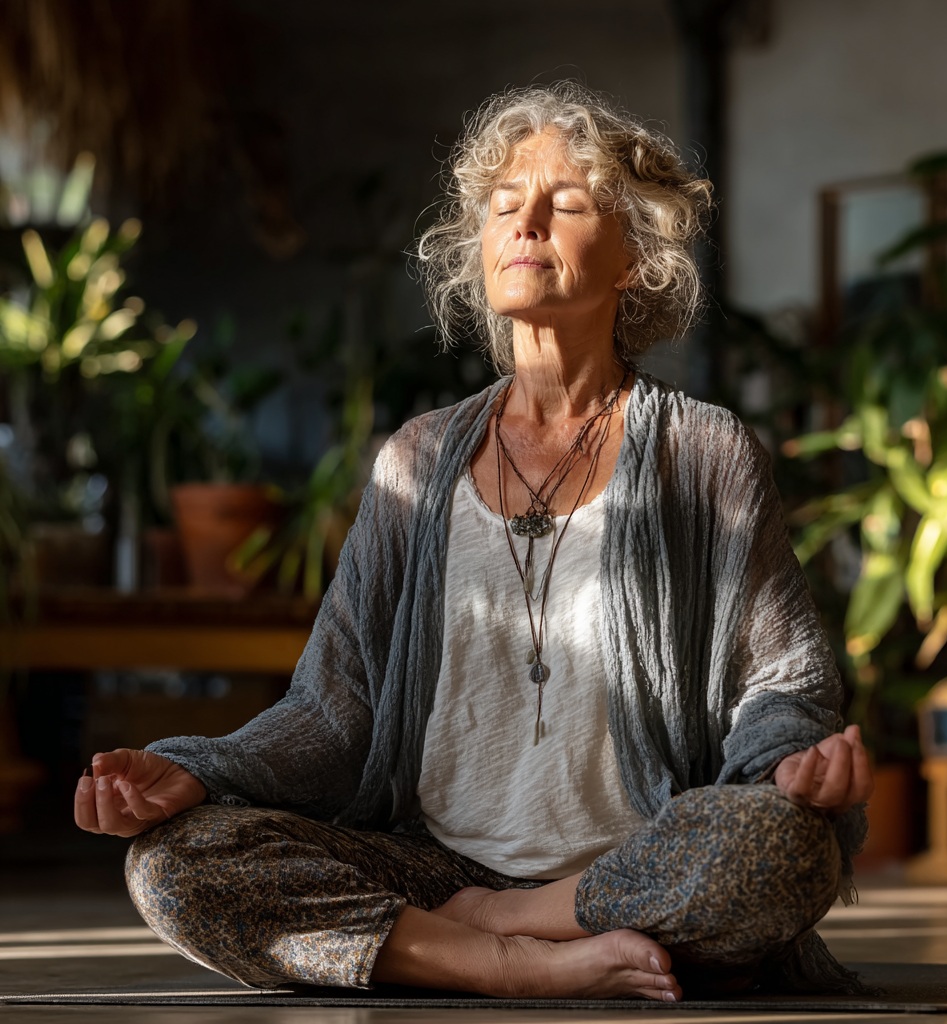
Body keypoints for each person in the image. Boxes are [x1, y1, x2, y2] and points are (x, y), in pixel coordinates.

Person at [73, 83, 873, 1002]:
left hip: (629, 865)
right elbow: (333, 713)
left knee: (779, 848)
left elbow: (780, 681)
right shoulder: (415, 462)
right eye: (504, 207)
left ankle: (513, 926)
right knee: (176, 864)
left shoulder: (703, 451)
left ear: (635, 261)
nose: (526, 222)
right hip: (432, 869)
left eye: (566, 205)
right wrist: (194, 770)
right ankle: (511, 968)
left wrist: (793, 765)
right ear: (480, 249)